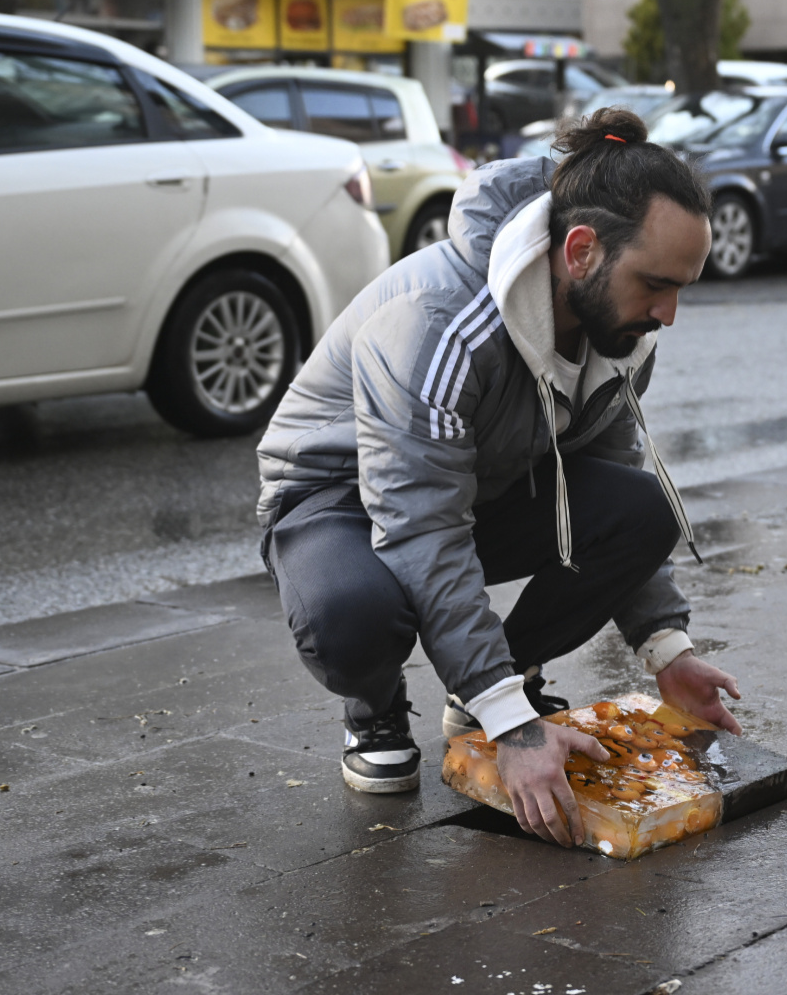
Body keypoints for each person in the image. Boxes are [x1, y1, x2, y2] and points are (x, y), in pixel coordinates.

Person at [255, 106, 742, 848]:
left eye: (682, 288)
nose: (669, 314)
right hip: (338, 500)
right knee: (353, 616)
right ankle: (377, 706)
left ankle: (487, 681)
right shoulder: (439, 324)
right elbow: (420, 526)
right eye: (656, 285)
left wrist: (664, 650)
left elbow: (606, 481)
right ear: (581, 251)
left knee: (642, 511)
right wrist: (515, 732)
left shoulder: (618, 324)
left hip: (477, 486)